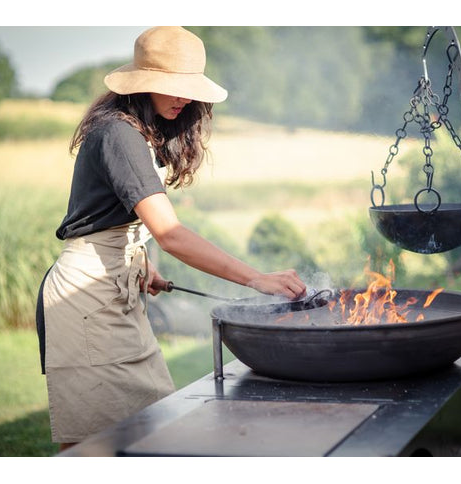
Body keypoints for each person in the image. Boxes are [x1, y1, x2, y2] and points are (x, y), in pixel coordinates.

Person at [36, 26, 306, 451]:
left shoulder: (139, 132)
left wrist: (142, 265)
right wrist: (257, 278)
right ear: (143, 83)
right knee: (99, 446)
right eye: (173, 87)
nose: (184, 98)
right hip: (85, 302)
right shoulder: (118, 134)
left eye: (189, 89)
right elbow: (171, 233)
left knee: (154, 429)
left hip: (117, 291)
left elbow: (113, 221)